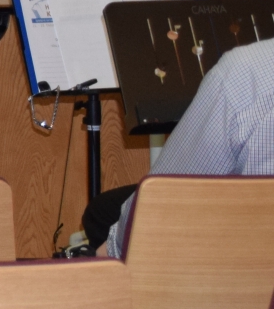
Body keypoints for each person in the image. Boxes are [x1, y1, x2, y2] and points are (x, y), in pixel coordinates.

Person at [98, 39, 274, 257]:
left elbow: (161, 205)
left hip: (240, 264)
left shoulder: (249, 72)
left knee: (102, 213)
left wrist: (110, 250)